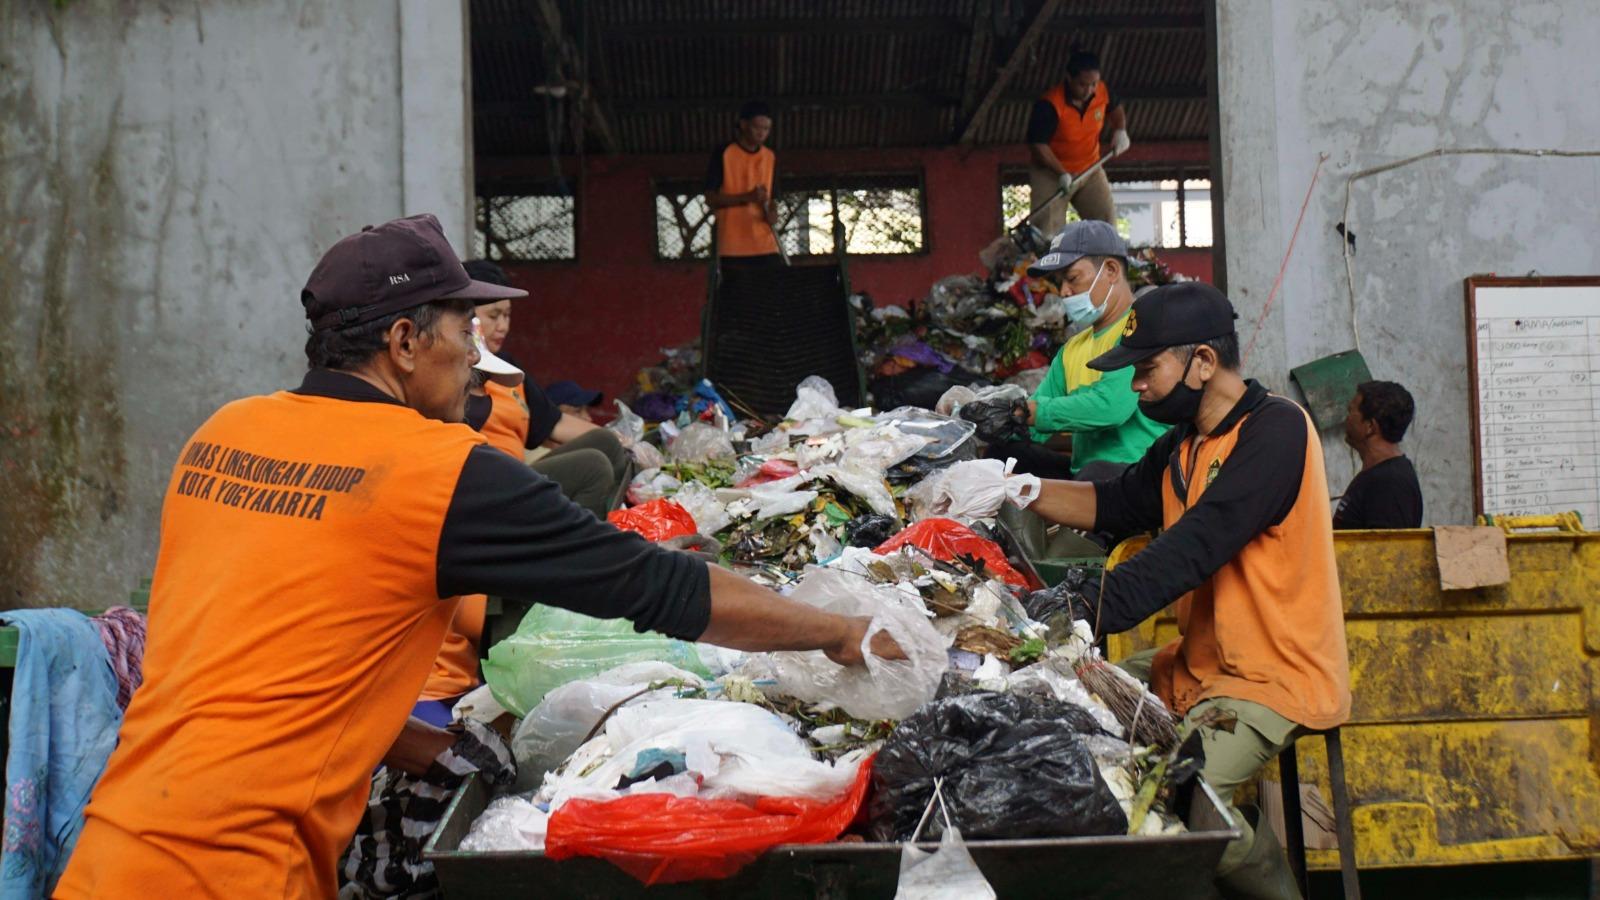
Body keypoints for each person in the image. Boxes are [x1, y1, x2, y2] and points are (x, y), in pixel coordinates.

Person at [55, 214, 902, 899]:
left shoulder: (224, 433)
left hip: (112, 848)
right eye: (466, 329)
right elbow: (658, 585)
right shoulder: (435, 470)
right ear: (404, 340)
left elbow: (255, 659)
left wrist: (419, 746)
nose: (479, 355)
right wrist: (838, 632)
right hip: (237, 871)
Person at [1025, 282, 1351, 899]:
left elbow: (1199, 543)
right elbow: (1113, 502)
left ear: (1202, 361)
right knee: (1074, 693)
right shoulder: (1183, 443)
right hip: (1202, 662)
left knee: (1181, 796)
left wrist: (1092, 603)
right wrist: (1016, 488)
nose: (1137, 386)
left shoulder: (1276, 430)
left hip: (1275, 672)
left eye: (1146, 370)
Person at [983, 221, 1166, 480]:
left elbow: (1110, 408)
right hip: (1088, 476)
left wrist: (1027, 412)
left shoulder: (1141, 330)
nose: (1064, 291)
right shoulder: (1072, 349)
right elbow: (1034, 422)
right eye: (1060, 282)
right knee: (1001, 454)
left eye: (1072, 279)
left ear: (1111, 270)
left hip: (1140, 475)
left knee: (1095, 473)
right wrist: (985, 417)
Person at [462, 259, 628, 519]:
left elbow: (554, 421)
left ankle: (617, 520)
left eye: (507, 315)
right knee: (593, 467)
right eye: (493, 316)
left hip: (518, 474)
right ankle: (578, 541)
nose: (503, 326)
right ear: (465, 317)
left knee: (607, 442)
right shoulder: (453, 372)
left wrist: (627, 441)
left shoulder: (508, 368)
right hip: (488, 488)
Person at [1026, 50, 1130, 232]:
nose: (1089, 90)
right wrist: (1061, 173)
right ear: (1069, 78)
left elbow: (1115, 108)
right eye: (1082, 84)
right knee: (1045, 232)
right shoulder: (1049, 105)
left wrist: (1120, 130)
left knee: (1106, 225)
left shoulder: (1102, 91)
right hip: (1051, 175)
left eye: (1093, 84)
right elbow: (1038, 145)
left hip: (1090, 169)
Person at [1335, 381, 1423, 529]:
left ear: (1370, 426)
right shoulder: (1377, 475)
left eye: (1350, 412)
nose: (1346, 419)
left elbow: (1388, 543)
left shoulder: (1390, 483)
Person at [705, 100, 781, 266]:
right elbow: (710, 198)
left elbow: (773, 197)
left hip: (766, 243)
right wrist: (746, 197)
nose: (761, 133)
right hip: (733, 245)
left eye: (766, 129)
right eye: (757, 127)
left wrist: (773, 213)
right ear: (743, 125)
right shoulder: (724, 153)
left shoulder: (770, 156)